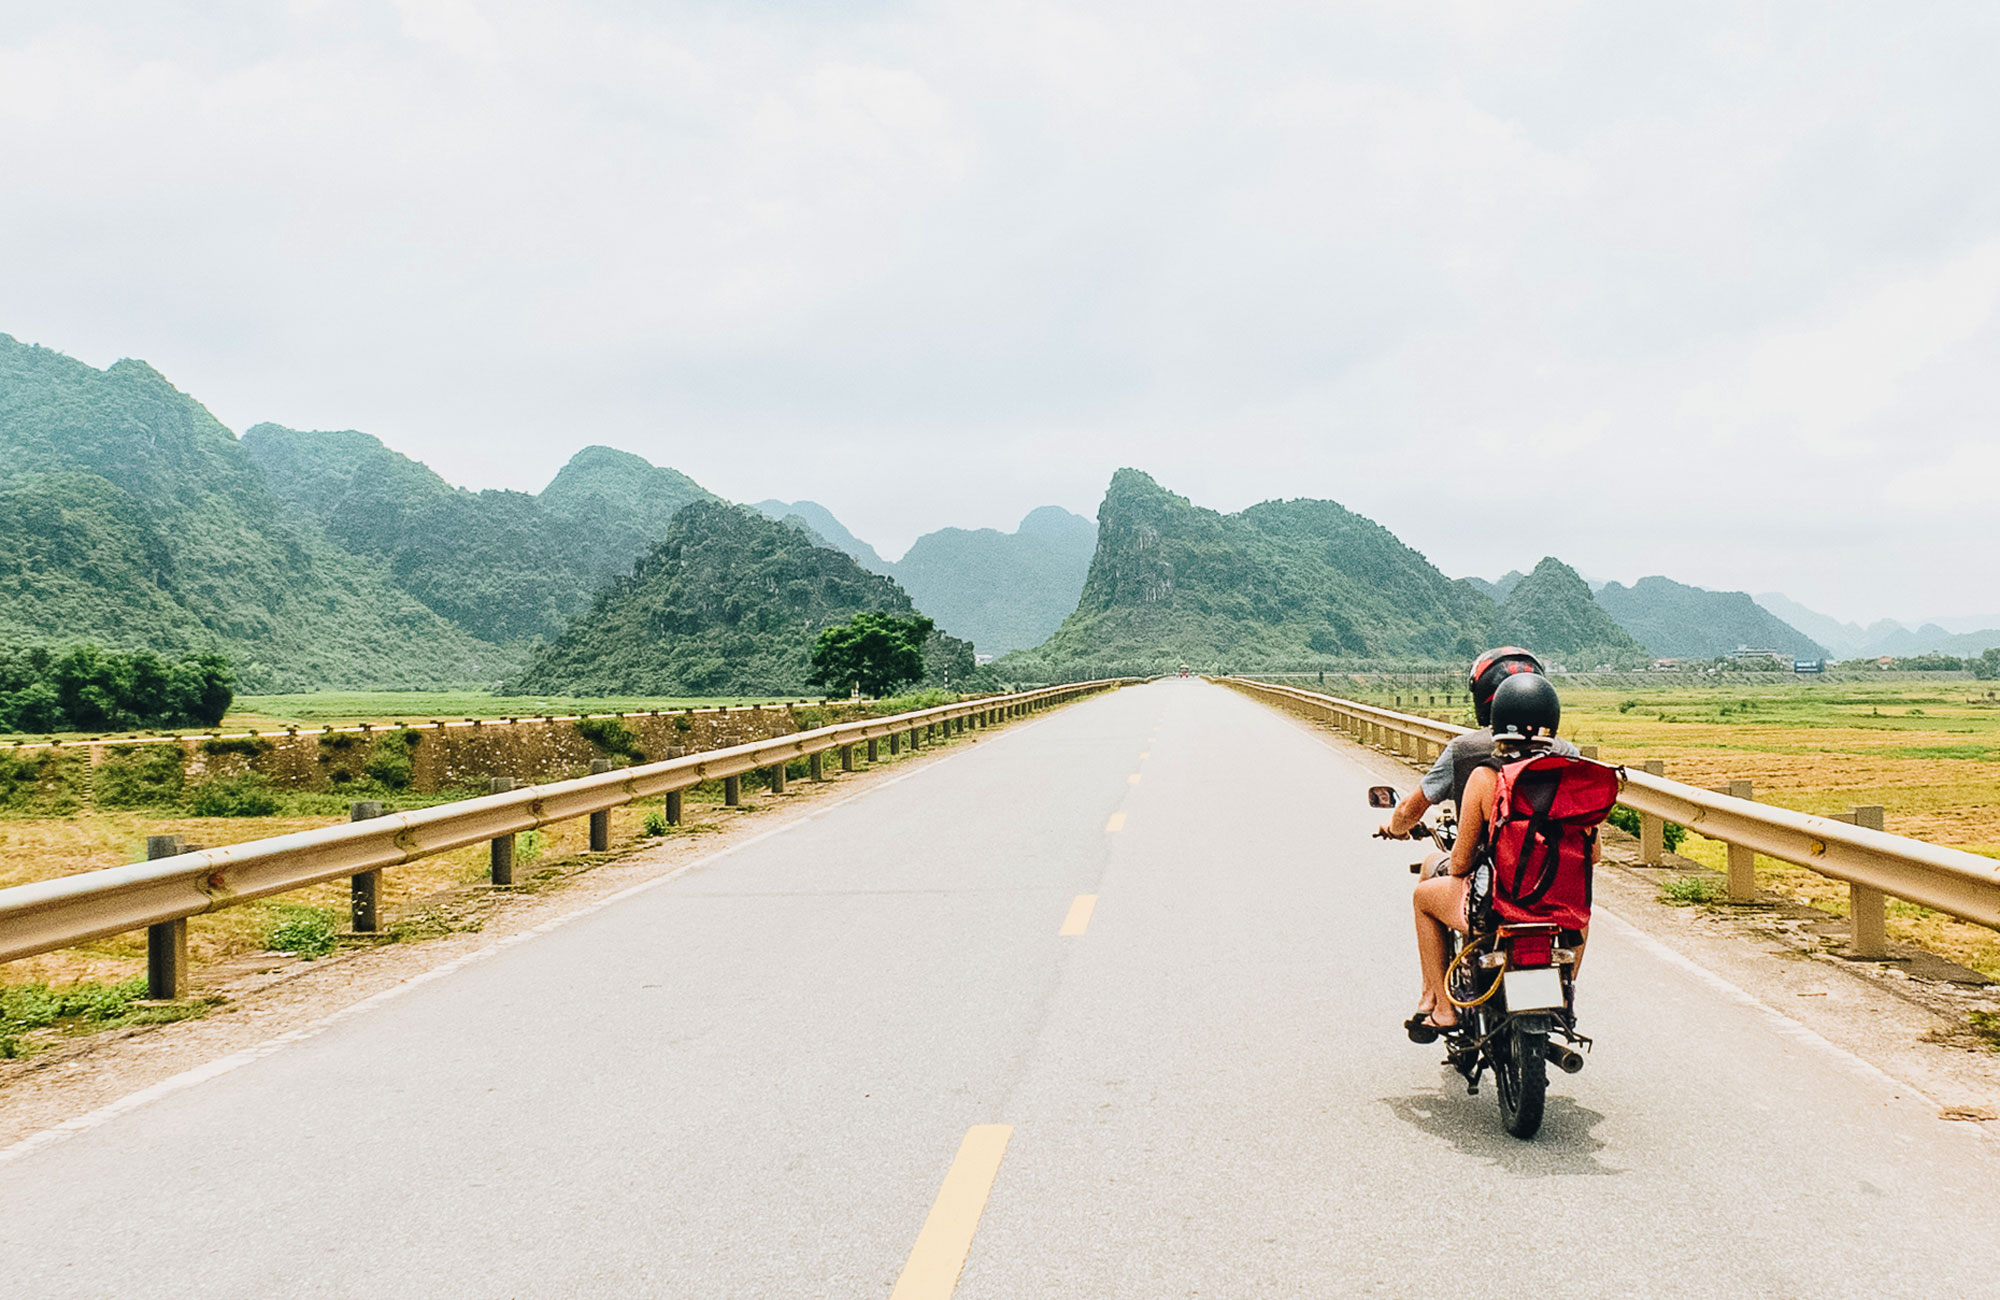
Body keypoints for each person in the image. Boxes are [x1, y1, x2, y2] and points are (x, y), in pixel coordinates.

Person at [1405, 672, 1589, 1035]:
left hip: (1496, 905)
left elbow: (1459, 862)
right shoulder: (1572, 777)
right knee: (1583, 917)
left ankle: (1442, 1007)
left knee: (1423, 898)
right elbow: (1592, 853)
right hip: (1557, 906)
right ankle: (1563, 996)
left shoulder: (1485, 777)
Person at [1376, 647, 1576, 841]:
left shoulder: (1464, 751)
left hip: (1490, 869)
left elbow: (1413, 807)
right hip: (1559, 868)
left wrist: (1394, 829)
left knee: (1433, 867)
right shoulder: (1567, 752)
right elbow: (1593, 852)